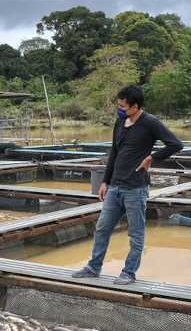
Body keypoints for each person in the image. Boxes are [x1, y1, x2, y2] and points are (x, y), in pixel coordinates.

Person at [72, 84, 183, 285]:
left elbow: (176, 144)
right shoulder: (120, 123)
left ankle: (129, 272)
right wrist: (105, 181)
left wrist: (152, 158)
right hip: (115, 187)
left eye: (123, 107)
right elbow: (114, 152)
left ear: (135, 106)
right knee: (102, 228)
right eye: (119, 106)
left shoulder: (150, 123)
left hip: (135, 188)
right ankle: (93, 267)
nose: (119, 110)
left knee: (135, 232)